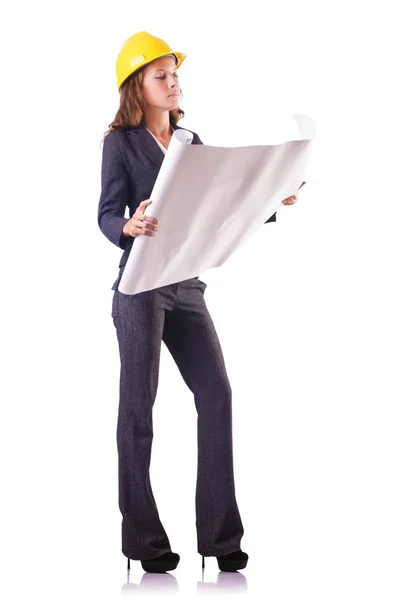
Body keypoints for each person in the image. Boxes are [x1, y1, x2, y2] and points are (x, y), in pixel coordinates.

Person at [98, 31, 303, 574]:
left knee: (217, 395)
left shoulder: (190, 138)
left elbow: (217, 205)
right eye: (160, 75)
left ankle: (221, 538)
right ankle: (144, 543)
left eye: (174, 73)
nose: (172, 81)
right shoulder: (120, 143)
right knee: (138, 413)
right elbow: (104, 214)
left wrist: (270, 199)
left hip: (185, 284)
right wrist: (128, 225)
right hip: (139, 286)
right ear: (136, 86)